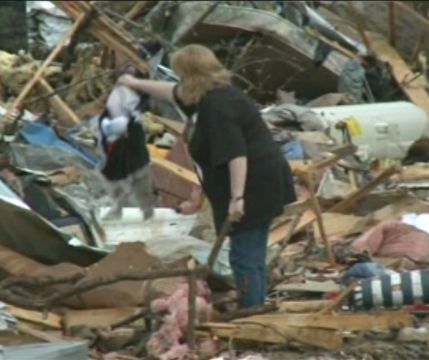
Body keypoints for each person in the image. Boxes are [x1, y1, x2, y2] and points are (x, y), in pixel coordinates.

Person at [118, 44, 296, 309]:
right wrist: (133, 83)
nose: (178, 81)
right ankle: (255, 302)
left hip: (254, 185)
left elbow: (236, 154)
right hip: (264, 179)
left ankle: (251, 310)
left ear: (190, 76)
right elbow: (171, 93)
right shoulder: (209, 95)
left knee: (243, 255)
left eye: (180, 75)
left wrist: (237, 198)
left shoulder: (217, 107)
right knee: (252, 251)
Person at [95, 83, 155, 220]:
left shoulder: (133, 121)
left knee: (142, 186)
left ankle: (147, 211)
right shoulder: (107, 116)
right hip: (116, 156)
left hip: (135, 159)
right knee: (115, 186)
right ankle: (117, 209)